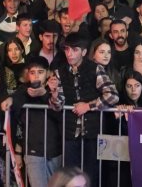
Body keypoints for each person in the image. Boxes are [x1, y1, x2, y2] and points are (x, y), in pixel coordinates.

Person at [50, 32, 119, 184]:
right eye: (67, 49)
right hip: (69, 133)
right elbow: (57, 106)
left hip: (92, 133)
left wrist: (88, 106)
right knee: (69, 176)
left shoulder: (96, 69)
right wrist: (54, 93)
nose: (70, 54)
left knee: (92, 176)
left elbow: (113, 95)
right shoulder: (59, 72)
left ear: (84, 52)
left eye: (74, 50)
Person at [11, 56, 63, 187]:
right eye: (32, 72)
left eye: (40, 72)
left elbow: (60, 116)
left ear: (48, 73)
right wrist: (18, 151)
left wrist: (45, 94)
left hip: (55, 149)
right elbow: (18, 123)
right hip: (33, 151)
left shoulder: (55, 90)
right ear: (27, 74)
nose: (36, 76)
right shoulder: (22, 92)